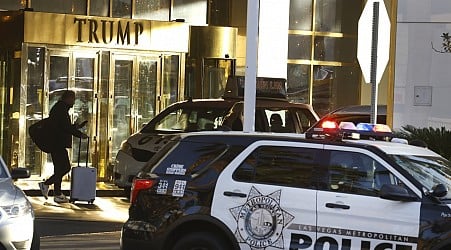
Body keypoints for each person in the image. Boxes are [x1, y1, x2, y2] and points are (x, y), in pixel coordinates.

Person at [39, 90, 88, 203]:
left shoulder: (59, 108)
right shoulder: (61, 109)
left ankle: (57, 194)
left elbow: (63, 126)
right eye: (73, 99)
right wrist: (79, 134)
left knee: (59, 168)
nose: (74, 101)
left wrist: (75, 127)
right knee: (65, 167)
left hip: (55, 143)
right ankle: (46, 184)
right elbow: (65, 128)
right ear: (67, 98)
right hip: (57, 144)